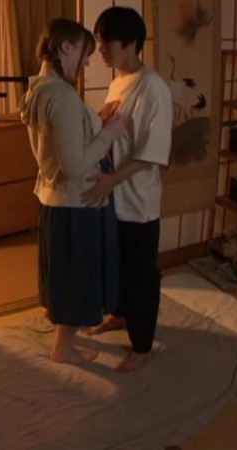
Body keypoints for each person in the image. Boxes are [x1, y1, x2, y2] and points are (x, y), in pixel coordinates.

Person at [18, 18, 128, 364]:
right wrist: (109, 132)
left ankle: (63, 339)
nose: (87, 62)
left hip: (57, 198)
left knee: (66, 272)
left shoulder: (38, 89)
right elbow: (75, 164)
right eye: (84, 53)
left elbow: (65, 141)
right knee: (77, 274)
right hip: (75, 200)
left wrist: (96, 122)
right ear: (66, 47)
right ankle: (62, 347)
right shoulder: (61, 97)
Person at [83, 6, 173, 373]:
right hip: (115, 195)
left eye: (108, 42)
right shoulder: (118, 81)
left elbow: (152, 153)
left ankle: (143, 346)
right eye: (100, 41)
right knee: (117, 263)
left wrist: (111, 180)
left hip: (138, 199)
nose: (101, 50)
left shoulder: (153, 87)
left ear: (132, 43)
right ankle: (120, 315)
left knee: (141, 274)